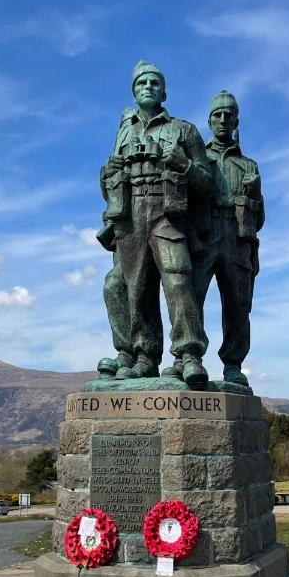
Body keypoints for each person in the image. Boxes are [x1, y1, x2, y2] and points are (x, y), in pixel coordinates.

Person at [99, 61, 212, 388]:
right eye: (141, 83)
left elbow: (208, 183)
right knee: (135, 289)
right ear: (134, 91)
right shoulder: (124, 131)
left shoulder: (184, 130)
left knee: (178, 280)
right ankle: (144, 355)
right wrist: (110, 170)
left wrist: (185, 165)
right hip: (131, 214)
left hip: (167, 212)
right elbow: (107, 183)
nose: (147, 87)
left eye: (154, 82)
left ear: (164, 91)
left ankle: (189, 354)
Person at [164, 91, 264, 387]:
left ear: (236, 121)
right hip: (203, 236)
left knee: (237, 305)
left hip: (237, 239)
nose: (223, 119)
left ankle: (233, 364)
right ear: (209, 120)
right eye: (217, 115)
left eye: (228, 115)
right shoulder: (198, 157)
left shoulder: (249, 166)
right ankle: (185, 356)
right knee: (188, 297)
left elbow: (260, 221)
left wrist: (254, 195)